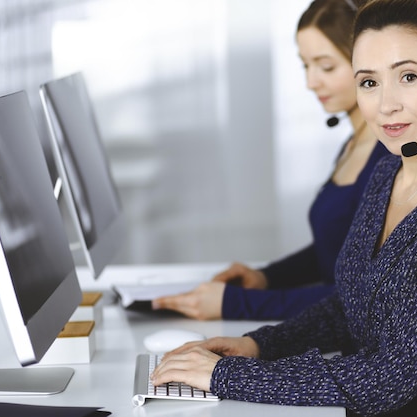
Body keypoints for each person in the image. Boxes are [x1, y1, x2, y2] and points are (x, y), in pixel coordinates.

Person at [151, 1, 417, 416]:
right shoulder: (388, 173)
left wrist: (224, 376)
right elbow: (350, 305)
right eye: (369, 82)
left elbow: (388, 378)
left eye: (408, 76)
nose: (386, 104)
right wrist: (259, 345)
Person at [152, 0, 387, 321]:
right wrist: (266, 278)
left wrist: (233, 303)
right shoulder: (355, 144)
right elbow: (336, 252)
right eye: (305, 65)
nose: (310, 82)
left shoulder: (388, 159)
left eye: (326, 66)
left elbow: (357, 296)